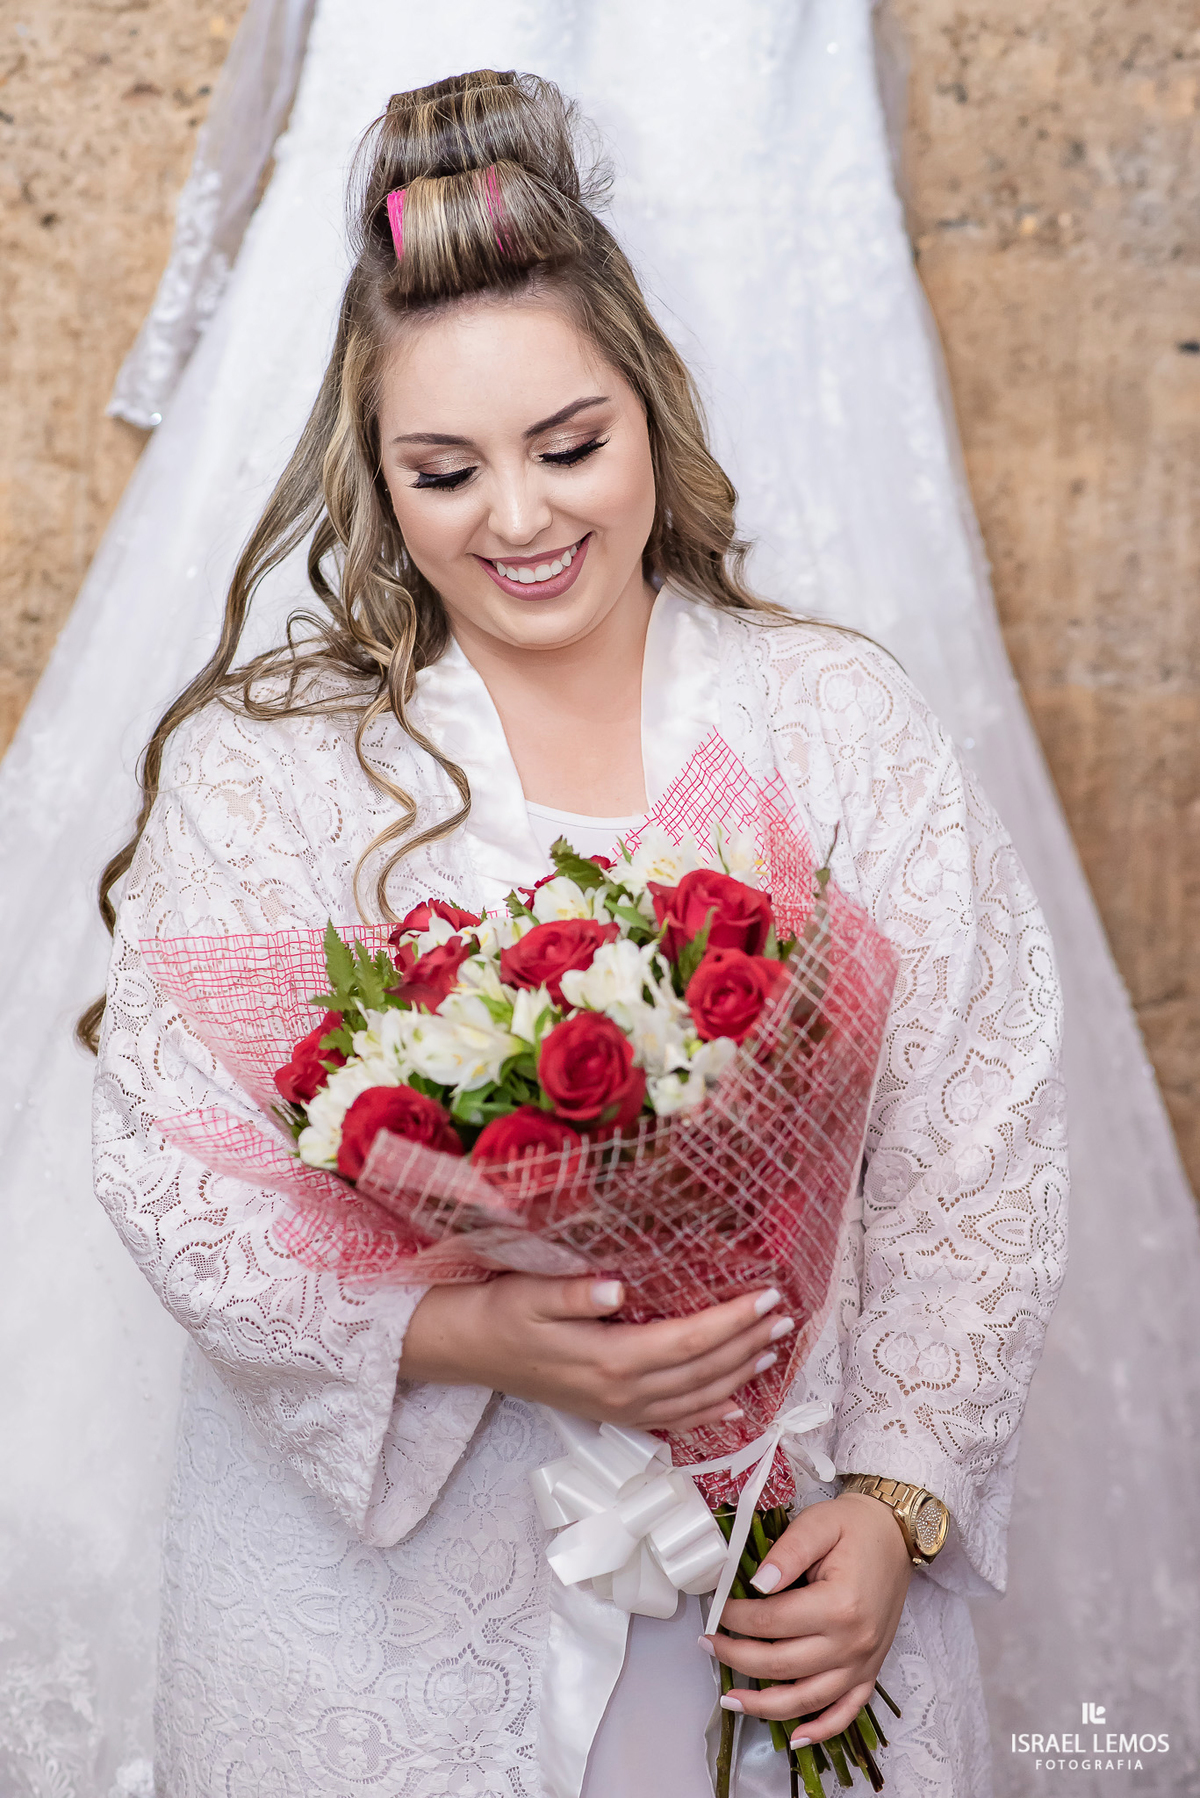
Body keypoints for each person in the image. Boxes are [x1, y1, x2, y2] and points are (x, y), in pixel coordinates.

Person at [89, 69, 1067, 1798]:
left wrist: (893, 1503)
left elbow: (972, 1138)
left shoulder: (836, 722)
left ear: (652, 412)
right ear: (376, 478)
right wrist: (461, 1335)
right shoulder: (272, 771)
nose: (522, 520)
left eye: (569, 446)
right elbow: (174, 1160)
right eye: (445, 470)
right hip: (381, 1625)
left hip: (780, 1556)